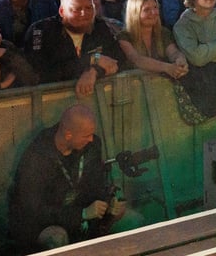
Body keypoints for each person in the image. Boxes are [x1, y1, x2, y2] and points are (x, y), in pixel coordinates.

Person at [7, 104, 127, 251]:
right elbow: (34, 210)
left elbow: (96, 183)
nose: (91, 139)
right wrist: (81, 214)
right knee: (57, 237)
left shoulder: (92, 145)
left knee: (129, 217)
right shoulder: (37, 157)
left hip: (79, 210)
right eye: (86, 135)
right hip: (43, 222)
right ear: (68, 135)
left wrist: (108, 202)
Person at [24, 0, 124, 97]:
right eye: (77, 9)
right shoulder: (40, 31)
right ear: (62, 11)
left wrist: (94, 71)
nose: (84, 13)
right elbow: (38, 72)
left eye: (89, 8)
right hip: (51, 101)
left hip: (95, 100)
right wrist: (91, 59)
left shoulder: (100, 27)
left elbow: (118, 61)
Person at [117, 0, 189, 79]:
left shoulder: (163, 32)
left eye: (155, 8)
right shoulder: (124, 36)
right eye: (147, 10)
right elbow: (136, 60)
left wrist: (180, 60)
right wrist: (167, 67)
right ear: (134, 13)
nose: (153, 12)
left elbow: (173, 52)